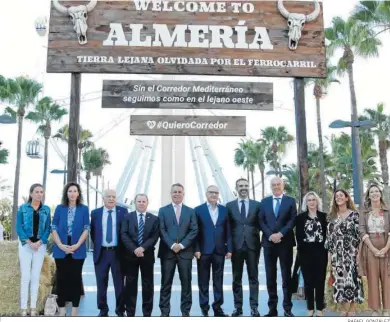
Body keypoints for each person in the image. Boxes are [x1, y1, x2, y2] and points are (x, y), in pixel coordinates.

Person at [158, 183, 198, 317]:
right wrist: (171, 245)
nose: (177, 194)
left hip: (185, 253)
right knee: (165, 283)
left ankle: (185, 312)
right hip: (167, 253)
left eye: (179, 192)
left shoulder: (190, 211)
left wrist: (181, 245)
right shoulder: (163, 210)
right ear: (171, 194)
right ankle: (164, 312)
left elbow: (194, 230)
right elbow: (162, 230)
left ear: (183, 194)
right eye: (174, 192)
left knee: (186, 283)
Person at [259, 176, 297, 317]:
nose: (276, 187)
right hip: (269, 244)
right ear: (271, 186)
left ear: (283, 186)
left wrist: (280, 234)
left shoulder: (290, 201)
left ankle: (287, 309)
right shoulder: (264, 202)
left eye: (278, 184)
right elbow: (261, 221)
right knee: (270, 276)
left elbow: (292, 220)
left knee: (286, 276)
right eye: (273, 185)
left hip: (285, 243)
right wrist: (271, 235)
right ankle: (272, 309)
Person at [51, 182, 90, 316]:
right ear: (66, 193)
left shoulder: (84, 209)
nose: (72, 193)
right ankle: (62, 310)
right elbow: (54, 227)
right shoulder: (59, 208)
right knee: (61, 279)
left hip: (77, 247)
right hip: (60, 246)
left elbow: (86, 228)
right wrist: (61, 245)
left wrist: (78, 244)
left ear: (78, 193)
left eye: (75, 191)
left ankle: (74, 312)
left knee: (75, 279)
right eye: (70, 191)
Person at [325, 189, 363, 316]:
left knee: (353, 280)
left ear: (347, 198)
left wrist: (359, 254)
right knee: (339, 280)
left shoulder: (355, 215)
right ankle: (343, 308)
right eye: (336, 196)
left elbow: (360, 237)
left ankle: (352, 308)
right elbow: (329, 240)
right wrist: (330, 258)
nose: (339, 198)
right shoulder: (332, 217)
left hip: (352, 252)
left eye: (341, 196)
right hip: (337, 254)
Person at [226, 178, 261, 317]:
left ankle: (254, 307)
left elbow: (261, 223)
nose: (243, 188)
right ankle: (238, 307)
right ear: (236, 187)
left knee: (254, 278)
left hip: (253, 246)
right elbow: (227, 228)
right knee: (236, 278)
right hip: (236, 246)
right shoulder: (229, 206)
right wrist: (228, 248)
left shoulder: (257, 205)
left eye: (246, 185)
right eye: (240, 186)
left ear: (249, 187)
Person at [195, 185, 232, 317]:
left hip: (220, 250)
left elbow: (228, 231)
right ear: (206, 194)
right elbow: (196, 232)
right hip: (203, 251)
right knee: (203, 281)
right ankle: (204, 308)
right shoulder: (198, 210)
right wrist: (197, 249)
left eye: (216, 193)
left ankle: (217, 307)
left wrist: (230, 249)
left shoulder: (224, 210)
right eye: (211, 192)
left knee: (218, 280)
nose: (214, 195)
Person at [121, 193, 160, 317]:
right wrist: (135, 249)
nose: (142, 203)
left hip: (147, 256)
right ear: (135, 203)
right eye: (139, 201)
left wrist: (142, 248)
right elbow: (124, 234)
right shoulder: (127, 217)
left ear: (147, 203)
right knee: (130, 285)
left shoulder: (154, 219)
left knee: (148, 285)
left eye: (144, 201)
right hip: (130, 256)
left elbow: (154, 236)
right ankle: (130, 313)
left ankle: (147, 313)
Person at [16, 183, 51, 316]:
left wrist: (40, 242)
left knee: (35, 276)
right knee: (26, 276)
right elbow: (19, 227)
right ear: (31, 193)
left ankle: (33, 307)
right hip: (26, 246)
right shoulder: (23, 208)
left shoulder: (46, 209)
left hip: (40, 246)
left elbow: (48, 228)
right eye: (36, 192)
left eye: (41, 192)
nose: (39, 194)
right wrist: (29, 242)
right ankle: (24, 307)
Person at [90, 189, 126, 317]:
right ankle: (103, 310)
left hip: (118, 253)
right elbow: (93, 233)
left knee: (120, 284)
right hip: (102, 253)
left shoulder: (123, 212)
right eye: (108, 196)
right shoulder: (95, 213)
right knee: (101, 284)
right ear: (103, 198)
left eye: (113, 197)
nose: (111, 199)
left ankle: (120, 310)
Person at [359, 184, 390, 316]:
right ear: (369, 195)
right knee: (372, 278)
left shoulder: (388, 210)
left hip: (386, 243)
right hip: (369, 244)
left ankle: (387, 308)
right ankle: (375, 309)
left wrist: (386, 248)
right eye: (372, 192)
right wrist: (372, 248)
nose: (375, 193)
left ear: (380, 194)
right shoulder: (364, 211)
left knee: (387, 278)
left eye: (377, 191)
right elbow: (361, 230)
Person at [295, 191, 328, 317]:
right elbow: (298, 236)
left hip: (321, 251)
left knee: (320, 280)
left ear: (317, 201)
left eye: (314, 199)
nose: (312, 202)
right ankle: (310, 307)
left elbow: (327, 235)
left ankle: (319, 308)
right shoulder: (300, 218)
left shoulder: (324, 217)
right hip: (305, 252)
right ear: (306, 203)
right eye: (309, 200)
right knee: (308, 281)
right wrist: (302, 250)